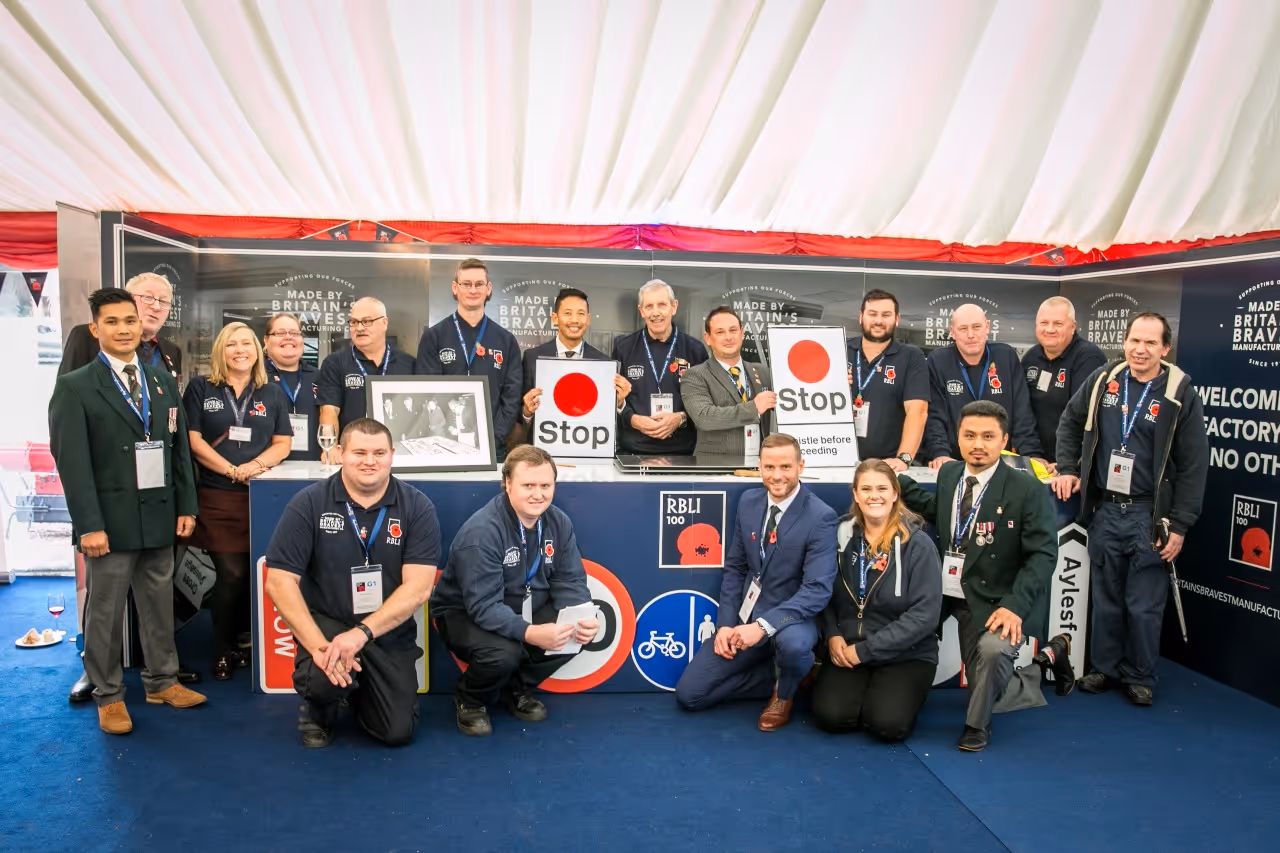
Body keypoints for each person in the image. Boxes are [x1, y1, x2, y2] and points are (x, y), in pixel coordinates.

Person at [48, 288, 206, 734]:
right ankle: (109, 695)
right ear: (95, 330)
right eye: (112, 322)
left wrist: (186, 505)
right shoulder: (74, 387)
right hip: (109, 524)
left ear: (142, 327)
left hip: (159, 514)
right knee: (105, 612)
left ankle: (162, 681)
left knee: (158, 605)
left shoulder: (160, 383)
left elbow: (176, 450)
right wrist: (88, 526)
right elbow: (72, 465)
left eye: (130, 321)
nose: (123, 329)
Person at [899, 401, 1075, 752]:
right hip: (950, 592)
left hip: (996, 599)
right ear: (958, 438)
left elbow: (1043, 555)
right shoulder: (950, 475)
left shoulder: (1026, 489)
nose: (978, 444)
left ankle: (979, 723)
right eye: (970, 435)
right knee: (900, 625)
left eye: (988, 436)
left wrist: (1014, 606)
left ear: (1004, 440)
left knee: (993, 656)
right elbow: (940, 511)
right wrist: (895, 479)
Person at [1052, 312, 1208, 706]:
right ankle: (1105, 668)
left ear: (1165, 349)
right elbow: (1070, 423)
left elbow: (1193, 464)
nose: (1140, 349)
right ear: (1124, 341)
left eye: (1150, 343)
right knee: (1105, 598)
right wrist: (1069, 469)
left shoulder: (1178, 391)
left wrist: (1181, 525)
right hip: (1105, 509)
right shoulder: (1105, 380)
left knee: (1143, 603)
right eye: (1134, 340)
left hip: (1149, 514)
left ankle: (1140, 675)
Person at [264, 418, 440, 748]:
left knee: (397, 732)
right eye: (359, 452)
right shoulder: (309, 503)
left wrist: (362, 633)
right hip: (328, 624)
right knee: (322, 677)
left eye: (378, 453)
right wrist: (319, 648)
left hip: (384, 630)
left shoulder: (417, 507)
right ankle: (322, 705)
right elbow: (279, 582)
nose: (369, 461)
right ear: (341, 453)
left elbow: (418, 587)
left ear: (392, 454)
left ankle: (359, 692)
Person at [432, 445, 599, 737]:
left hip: (523, 606)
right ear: (507, 484)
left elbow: (570, 580)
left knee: (576, 630)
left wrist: (581, 614)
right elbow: (483, 606)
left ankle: (515, 688)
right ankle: (470, 699)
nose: (538, 494)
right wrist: (531, 633)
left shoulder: (558, 522)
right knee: (504, 653)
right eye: (528, 485)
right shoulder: (483, 532)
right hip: (465, 613)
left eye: (545, 485)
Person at [675, 434, 838, 731]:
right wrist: (726, 624)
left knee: (793, 646)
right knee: (690, 694)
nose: (777, 476)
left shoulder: (821, 517)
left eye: (786, 467)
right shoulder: (749, 502)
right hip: (745, 620)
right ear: (759, 467)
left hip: (792, 621)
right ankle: (789, 675)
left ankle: (784, 693)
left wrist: (762, 626)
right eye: (769, 467)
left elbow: (817, 590)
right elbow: (736, 568)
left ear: (801, 466)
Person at [183, 322, 293, 680]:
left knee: (251, 576)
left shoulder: (272, 392)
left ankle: (240, 644)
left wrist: (255, 466)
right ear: (221, 350)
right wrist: (231, 469)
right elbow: (194, 440)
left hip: (259, 497)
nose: (240, 349)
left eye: (246, 343)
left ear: (257, 350)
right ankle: (220, 646)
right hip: (216, 495)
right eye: (232, 344)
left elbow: (282, 442)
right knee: (230, 574)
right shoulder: (202, 387)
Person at [812, 460, 942, 741]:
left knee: (887, 725)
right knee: (830, 717)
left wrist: (867, 650)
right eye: (866, 489)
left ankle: (890, 695)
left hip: (905, 654)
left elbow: (925, 616)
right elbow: (821, 591)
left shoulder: (918, 545)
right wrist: (832, 635)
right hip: (848, 650)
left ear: (895, 492)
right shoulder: (839, 534)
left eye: (882, 488)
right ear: (855, 493)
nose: (875, 496)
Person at [415, 259, 523, 455]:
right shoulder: (434, 337)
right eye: (466, 284)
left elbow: (512, 396)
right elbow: (427, 391)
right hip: (443, 444)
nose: (473, 290)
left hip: (492, 447)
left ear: (488, 289)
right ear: (455, 288)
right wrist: (444, 435)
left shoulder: (506, 340)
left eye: (479, 284)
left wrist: (492, 438)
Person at [922, 304, 1043, 467]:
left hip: (1002, 463)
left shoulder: (1005, 356)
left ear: (987, 327)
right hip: (954, 461)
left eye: (976, 327)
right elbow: (935, 416)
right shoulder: (938, 361)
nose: (970, 335)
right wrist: (940, 454)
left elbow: (1022, 411)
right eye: (963, 328)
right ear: (952, 332)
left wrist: (1031, 453)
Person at [515, 288, 630, 444]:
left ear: (588, 319)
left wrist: (619, 403)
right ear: (555, 318)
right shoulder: (532, 357)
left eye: (581, 314)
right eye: (568, 313)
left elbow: (607, 418)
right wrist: (526, 412)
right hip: (545, 446)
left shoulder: (603, 363)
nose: (575, 320)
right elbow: (519, 414)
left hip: (587, 444)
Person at [613, 279, 708, 455]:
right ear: (641, 311)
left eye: (662, 305)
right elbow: (614, 399)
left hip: (683, 454)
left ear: (674, 307)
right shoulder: (623, 348)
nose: (655, 313)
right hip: (633, 452)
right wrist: (633, 420)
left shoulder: (695, 350)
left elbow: (705, 403)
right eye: (649, 306)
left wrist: (680, 418)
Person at [844, 289, 929, 470]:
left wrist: (904, 459)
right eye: (872, 314)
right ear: (861, 317)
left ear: (897, 319)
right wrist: (834, 384)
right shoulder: (839, 349)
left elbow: (918, 412)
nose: (879, 321)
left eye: (886, 315)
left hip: (887, 467)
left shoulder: (911, 357)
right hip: (838, 462)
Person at [317, 296, 415, 454]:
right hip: (354, 454)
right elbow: (329, 410)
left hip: (397, 452)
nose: (359, 328)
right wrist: (330, 447)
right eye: (354, 322)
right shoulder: (335, 363)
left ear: (385, 323)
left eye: (367, 321)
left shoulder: (409, 364)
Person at [1021, 297, 1106, 466]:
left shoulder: (1089, 358)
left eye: (1058, 324)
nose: (1050, 329)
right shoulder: (1031, 357)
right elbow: (1022, 411)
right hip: (1035, 460)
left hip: (1070, 465)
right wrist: (1031, 454)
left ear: (1073, 326)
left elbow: (1081, 418)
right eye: (1044, 323)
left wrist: (1066, 464)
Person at [680, 306, 775, 457]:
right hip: (715, 468)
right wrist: (754, 408)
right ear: (708, 338)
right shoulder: (695, 375)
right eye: (720, 332)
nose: (728, 337)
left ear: (742, 333)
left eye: (733, 330)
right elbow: (704, 417)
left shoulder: (764, 372)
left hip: (760, 466)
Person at [59, 272, 182, 382]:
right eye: (148, 298)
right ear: (128, 300)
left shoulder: (172, 351)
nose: (156, 307)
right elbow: (68, 392)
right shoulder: (88, 336)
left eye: (164, 302)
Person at [263, 312, 322, 462]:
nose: (288, 337)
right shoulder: (256, 377)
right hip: (266, 468)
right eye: (280, 333)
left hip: (314, 467)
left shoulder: (320, 377)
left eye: (295, 333)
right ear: (266, 340)